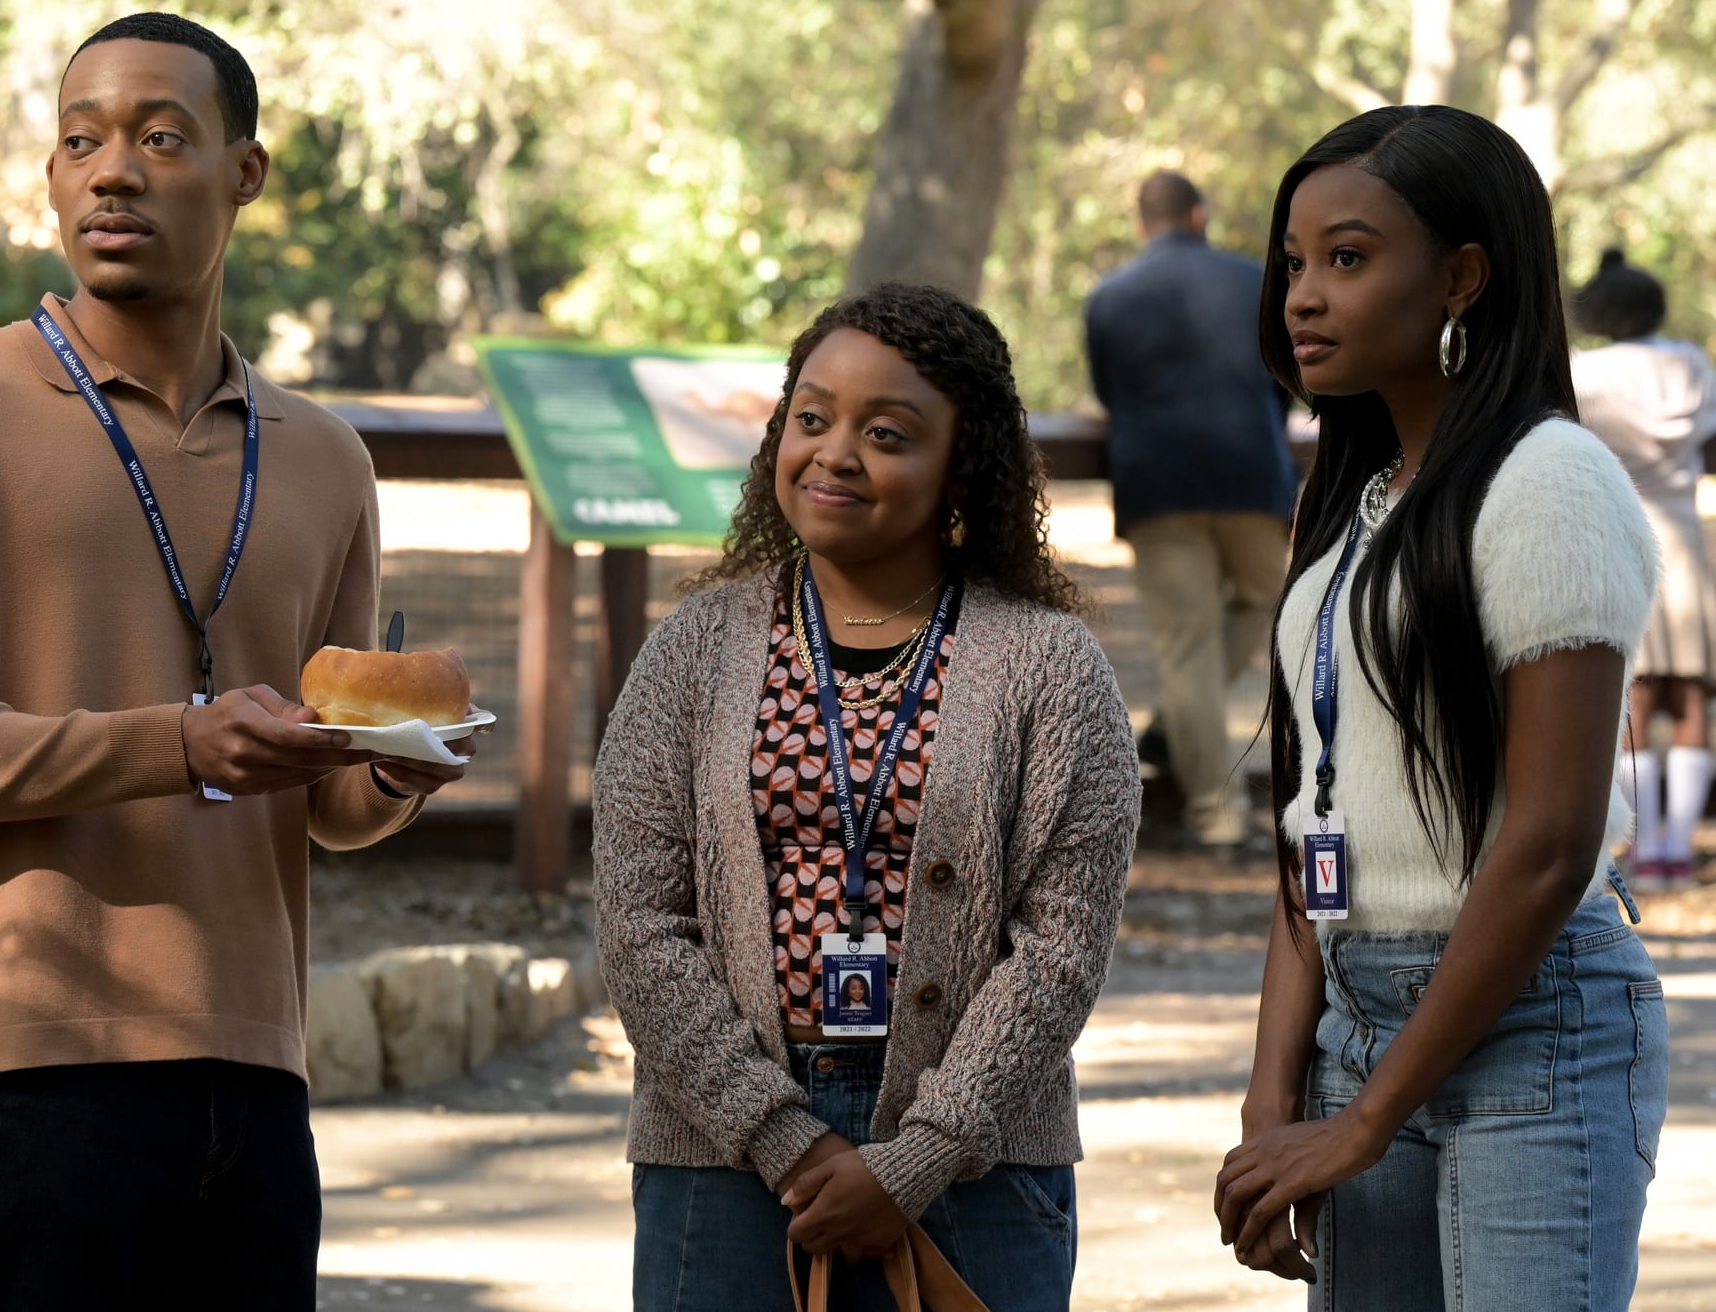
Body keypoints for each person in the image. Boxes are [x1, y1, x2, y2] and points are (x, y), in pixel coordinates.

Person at [0, 13, 472, 1309]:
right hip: (27, 1069)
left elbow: (332, 803)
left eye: (160, 138)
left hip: (257, 1067)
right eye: (81, 140)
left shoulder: (325, 456)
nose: (111, 170)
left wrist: (403, 767)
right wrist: (175, 742)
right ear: (54, 177)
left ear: (246, 172)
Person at [594, 281, 1140, 1311]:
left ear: (958, 463)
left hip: (975, 1166)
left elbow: (1061, 946)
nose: (834, 452)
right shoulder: (691, 653)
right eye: (811, 418)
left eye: (885, 433)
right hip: (722, 1154)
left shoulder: (1049, 665)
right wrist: (785, 1141)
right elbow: (638, 923)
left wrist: (915, 1159)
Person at [1214, 106, 1668, 1310]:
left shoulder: (1546, 481)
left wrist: (1360, 1120)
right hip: (1354, 1030)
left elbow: (1546, 843)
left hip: (1530, 1025)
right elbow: (1309, 833)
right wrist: (1275, 1098)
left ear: (1461, 276)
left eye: (1347, 259)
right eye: (1293, 262)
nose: (1302, 295)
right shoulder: (1349, 511)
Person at [1085, 171, 1298, 852]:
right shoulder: (1257, 281)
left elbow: (1110, 392)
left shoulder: (1109, 296)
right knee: (1270, 603)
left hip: (1157, 481)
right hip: (1252, 471)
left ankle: (1214, 806)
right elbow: (1287, 377)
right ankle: (1195, 765)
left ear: (1143, 224)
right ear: (1199, 214)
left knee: (1187, 647)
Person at [1572, 249, 1716, 893]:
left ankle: (1634, 843)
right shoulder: (1690, 362)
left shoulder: (1585, 372)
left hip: (1615, 531)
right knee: (1690, 693)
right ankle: (1675, 848)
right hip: (1683, 535)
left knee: (1630, 693)